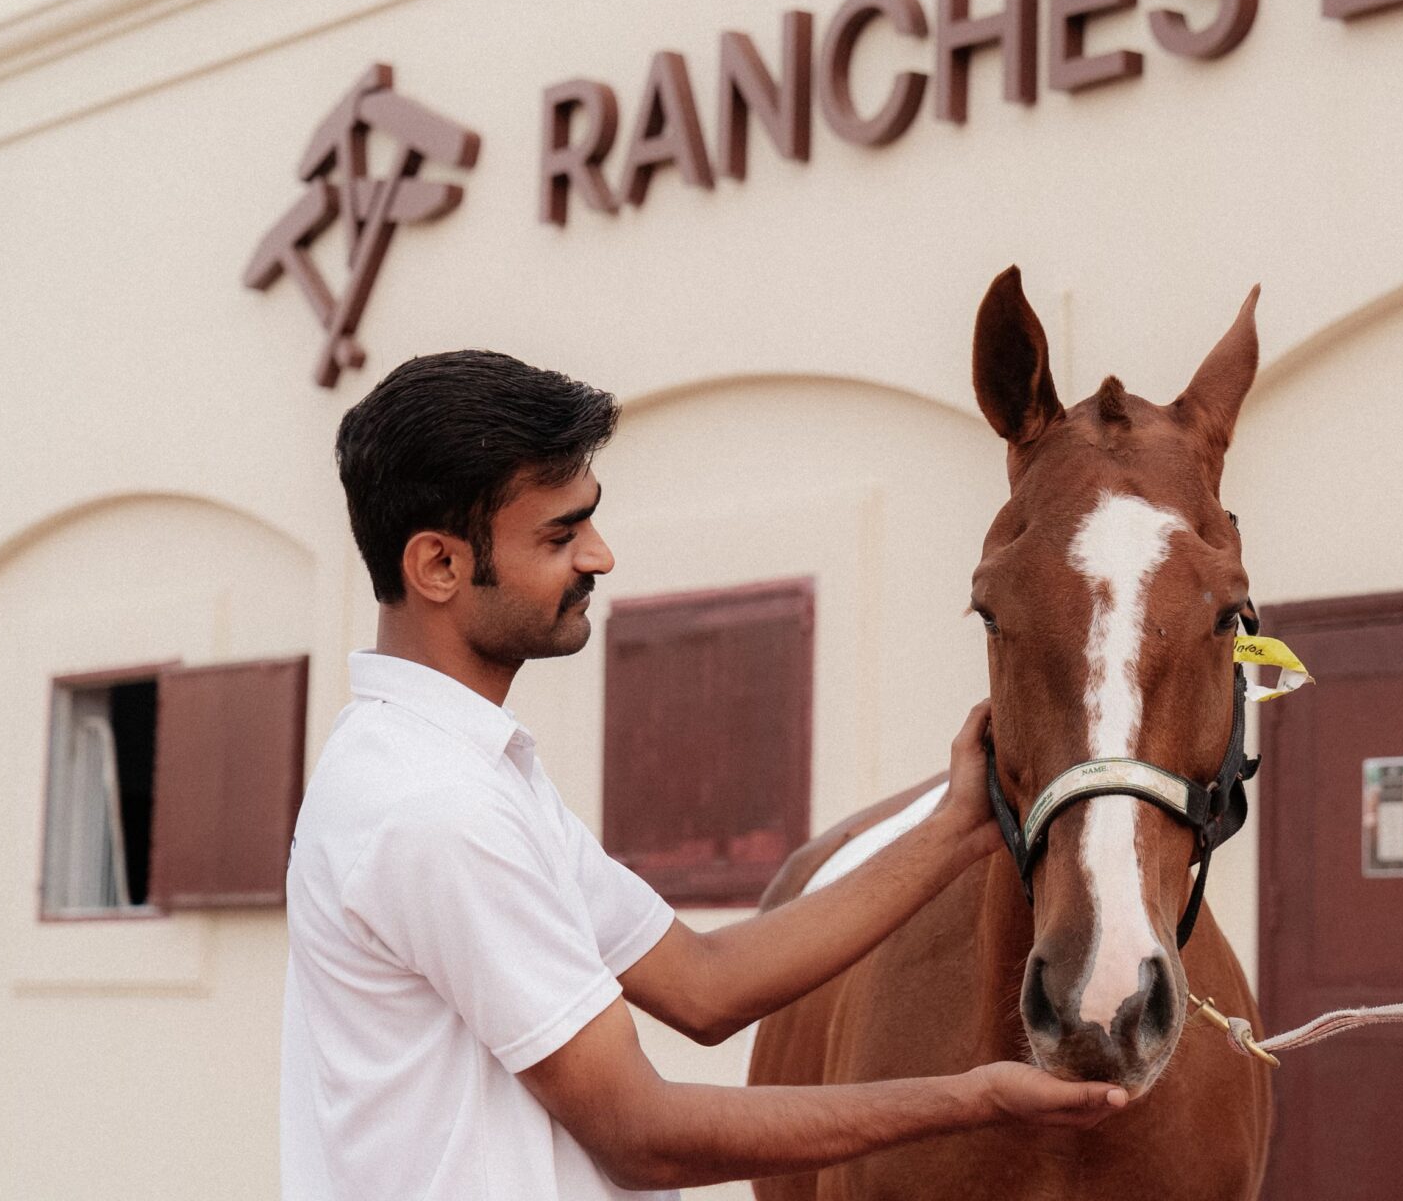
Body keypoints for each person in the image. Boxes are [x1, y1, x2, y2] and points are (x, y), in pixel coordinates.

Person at [281, 350, 1125, 1201]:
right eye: (561, 534)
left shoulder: (467, 772)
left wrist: (954, 829)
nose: (600, 557)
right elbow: (642, 1138)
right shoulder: (434, 809)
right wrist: (976, 1097)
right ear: (439, 567)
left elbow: (705, 983)